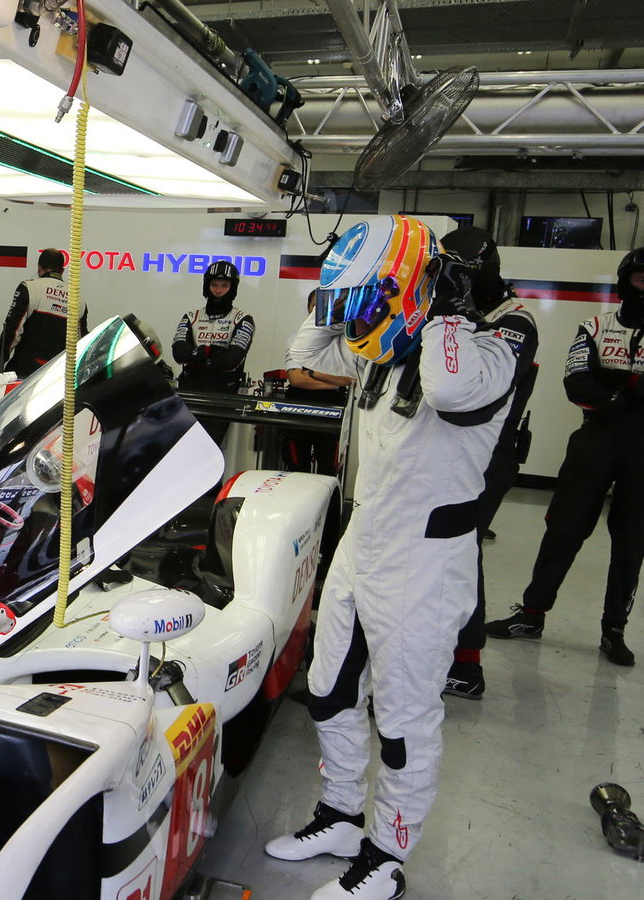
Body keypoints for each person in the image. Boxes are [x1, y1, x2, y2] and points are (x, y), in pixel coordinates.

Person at [268, 216, 523, 900]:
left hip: (426, 561)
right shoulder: (384, 350)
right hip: (363, 542)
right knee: (329, 690)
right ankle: (342, 816)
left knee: (405, 721)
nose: (366, 312)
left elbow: (449, 391)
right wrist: (340, 288)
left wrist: (442, 306)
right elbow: (304, 353)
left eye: (377, 294)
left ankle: (386, 856)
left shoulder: (494, 346)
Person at [485, 247, 644, 667]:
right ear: (625, 280)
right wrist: (630, 389)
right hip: (595, 440)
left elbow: (597, 383)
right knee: (563, 528)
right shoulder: (595, 325)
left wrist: (614, 382)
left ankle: (614, 629)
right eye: (640, 278)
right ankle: (531, 614)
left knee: (631, 541)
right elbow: (577, 384)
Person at [440, 226, 540, 697]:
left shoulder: (515, 320)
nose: (453, 280)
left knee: (462, 553)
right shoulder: (459, 310)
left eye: (462, 271)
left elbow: (475, 392)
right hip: (452, 450)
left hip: (492, 453)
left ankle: (466, 665)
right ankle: (440, 651)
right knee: (441, 554)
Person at [282, 289, 355, 475]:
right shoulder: (296, 339)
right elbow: (296, 379)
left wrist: (312, 373)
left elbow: (349, 379)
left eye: (324, 307)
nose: (320, 311)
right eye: (315, 307)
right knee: (297, 471)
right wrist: (334, 381)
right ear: (309, 308)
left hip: (333, 411)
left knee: (329, 473)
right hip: (299, 410)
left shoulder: (349, 342)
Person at [0, 248, 86, 378]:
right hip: (57, 376)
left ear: (39, 267)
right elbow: (81, 343)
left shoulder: (29, 288)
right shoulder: (79, 300)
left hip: (25, 373)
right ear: (62, 271)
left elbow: (13, 330)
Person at [171, 260, 254, 392]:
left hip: (226, 392)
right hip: (190, 389)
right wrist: (210, 352)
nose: (218, 290)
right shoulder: (191, 316)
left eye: (224, 285)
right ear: (206, 286)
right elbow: (179, 353)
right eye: (214, 285)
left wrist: (197, 357)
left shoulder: (243, 319)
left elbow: (231, 360)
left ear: (232, 288)